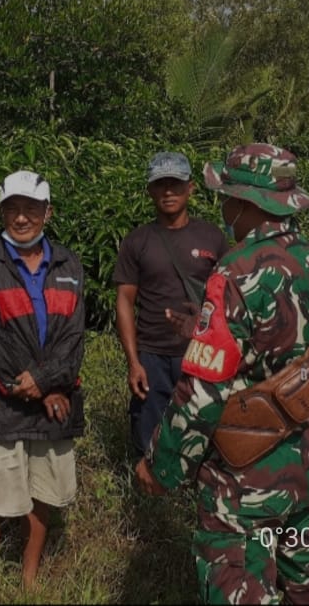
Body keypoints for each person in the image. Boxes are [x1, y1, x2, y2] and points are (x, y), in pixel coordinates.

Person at [135, 144, 309, 605]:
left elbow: (201, 393)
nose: (223, 207)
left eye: (226, 197)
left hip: (244, 474)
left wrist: (161, 466)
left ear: (246, 203)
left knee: (240, 588)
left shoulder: (235, 272)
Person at [0, 169, 86, 588]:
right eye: (12, 208)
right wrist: (30, 386)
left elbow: (73, 337)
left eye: (30, 208)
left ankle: (29, 579)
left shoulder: (68, 263)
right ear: (1, 212)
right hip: (0, 403)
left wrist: (49, 382)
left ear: (47, 212)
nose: (21, 217)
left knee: (43, 495)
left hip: (54, 399)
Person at [113, 151, 228, 458]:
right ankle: (150, 499)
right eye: (160, 184)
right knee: (148, 440)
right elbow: (124, 301)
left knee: (204, 436)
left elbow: (226, 298)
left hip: (200, 353)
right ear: (150, 190)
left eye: (175, 184)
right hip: (152, 356)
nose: (167, 192)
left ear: (190, 188)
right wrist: (133, 362)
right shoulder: (137, 241)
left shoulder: (212, 236)